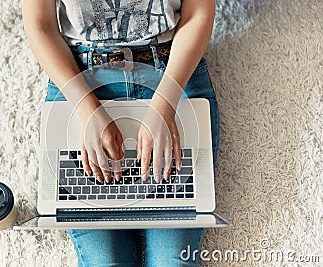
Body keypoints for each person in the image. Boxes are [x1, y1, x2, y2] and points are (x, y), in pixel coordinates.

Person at [22, 0, 218, 266]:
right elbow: (40, 25)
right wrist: (87, 109)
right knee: (105, 262)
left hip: (173, 68)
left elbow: (199, 13)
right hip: (78, 75)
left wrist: (165, 104)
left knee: (174, 261)